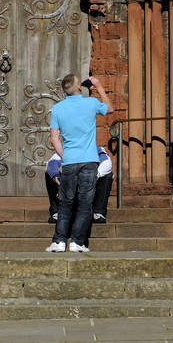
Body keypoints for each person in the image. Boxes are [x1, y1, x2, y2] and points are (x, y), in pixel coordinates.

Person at [45, 73, 109, 253]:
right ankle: (77, 241)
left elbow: (54, 138)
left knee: (65, 202)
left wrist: (64, 156)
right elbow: (109, 108)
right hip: (89, 160)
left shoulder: (57, 108)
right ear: (79, 87)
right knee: (85, 203)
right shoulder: (90, 103)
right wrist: (98, 86)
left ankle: (58, 241)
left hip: (69, 161)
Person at [45, 147, 112, 226]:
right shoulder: (67, 149)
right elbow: (51, 163)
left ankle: (98, 212)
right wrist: (58, 180)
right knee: (51, 174)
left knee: (108, 175)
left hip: (89, 189)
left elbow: (107, 163)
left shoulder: (97, 150)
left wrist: (93, 177)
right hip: (70, 188)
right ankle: (57, 212)